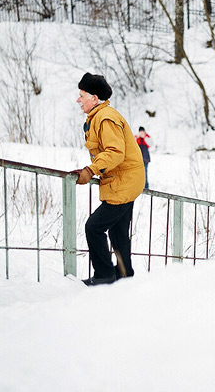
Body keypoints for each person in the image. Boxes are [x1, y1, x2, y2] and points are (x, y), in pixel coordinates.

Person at [73, 72, 145, 286]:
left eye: (82, 95)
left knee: (93, 227)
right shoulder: (101, 116)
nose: (78, 99)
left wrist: (90, 170)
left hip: (123, 182)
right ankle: (124, 273)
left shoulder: (105, 118)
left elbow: (115, 152)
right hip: (127, 180)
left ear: (94, 98)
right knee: (117, 230)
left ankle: (104, 275)